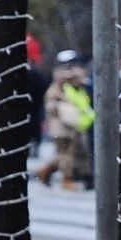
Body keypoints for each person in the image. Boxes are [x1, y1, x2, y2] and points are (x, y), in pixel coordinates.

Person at [40, 56, 93, 188]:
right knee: (66, 154)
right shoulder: (59, 89)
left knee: (70, 154)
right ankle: (64, 178)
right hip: (62, 126)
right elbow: (51, 106)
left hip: (74, 125)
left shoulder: (74, 89)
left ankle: (47, 172)